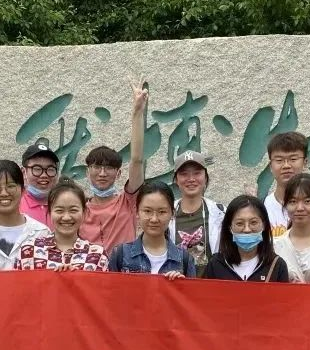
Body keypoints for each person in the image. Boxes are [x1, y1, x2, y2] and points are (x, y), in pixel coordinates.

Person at [79, 80, 147, 248]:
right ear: (87, 172)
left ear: (119, 173)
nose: (102, 173)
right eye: (96, 167)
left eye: (109, 168)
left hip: (123, 265)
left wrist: (137, 112)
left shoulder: (128, 202)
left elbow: (137, 160)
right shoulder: (78, 209)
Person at [14, 179, 110, 271]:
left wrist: (77, 277)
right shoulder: (29, 251)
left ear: (84, 213)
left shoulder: (97, 255)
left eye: (73, 210)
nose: (66, 217)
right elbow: (18, 282)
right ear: (50, 212)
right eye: (59, 210)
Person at [108, 181, 197, 277]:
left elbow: (192, 287)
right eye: (147, 211)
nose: (154, 219)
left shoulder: (184, 259)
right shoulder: (121, 254)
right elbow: (110, 286)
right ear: (137, 212)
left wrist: (182, 284)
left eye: (162, 212)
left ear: (172, 214)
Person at [202, 195, 290, 282]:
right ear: (230, 227)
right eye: (239, 223)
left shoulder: (277, 266)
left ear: (264, 225)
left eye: (253, 222)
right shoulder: (216, 264)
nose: (247, 229)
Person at [168, 150, 223, 276]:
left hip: (211, 285)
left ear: (205, 177)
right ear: (176, 180)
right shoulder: (167, 213)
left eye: (197, 173)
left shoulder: (220, 213)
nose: (191, 179)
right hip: (176, 285)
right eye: (184, 174)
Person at [18, 139, 59, 226]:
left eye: (50, 169)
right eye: (37, 169)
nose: (44, 175)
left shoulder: (64, 204)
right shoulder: (12, 205)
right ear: (23, 172)